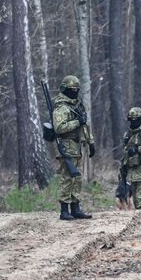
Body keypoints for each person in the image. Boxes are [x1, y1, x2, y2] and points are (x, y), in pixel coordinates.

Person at [51, 75, 95, 220]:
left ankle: (75, 208)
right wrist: (77, 122)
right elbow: (59, 127)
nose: (75, 91)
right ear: (65, 89)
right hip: (65, 147)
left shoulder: (77, 105)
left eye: (77, 89)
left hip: (77, 147)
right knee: (67, 178)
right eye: (72, 89)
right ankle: (64, 210)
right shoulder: (61, 107)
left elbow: (84, 126)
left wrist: (90, 141)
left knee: (77, 178)